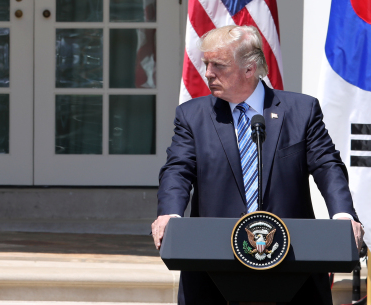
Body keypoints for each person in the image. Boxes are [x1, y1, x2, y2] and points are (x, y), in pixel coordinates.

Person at [151, 25, 364, 305]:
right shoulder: (193, 116)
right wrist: (170, 214)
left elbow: (327, 165)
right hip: (213, 264)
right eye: (206, 64)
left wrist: (343, 215)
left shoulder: (301, 111)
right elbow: (177, 170)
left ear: (250, 69)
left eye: (218, 65)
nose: (208, 73)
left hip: (292, 261)